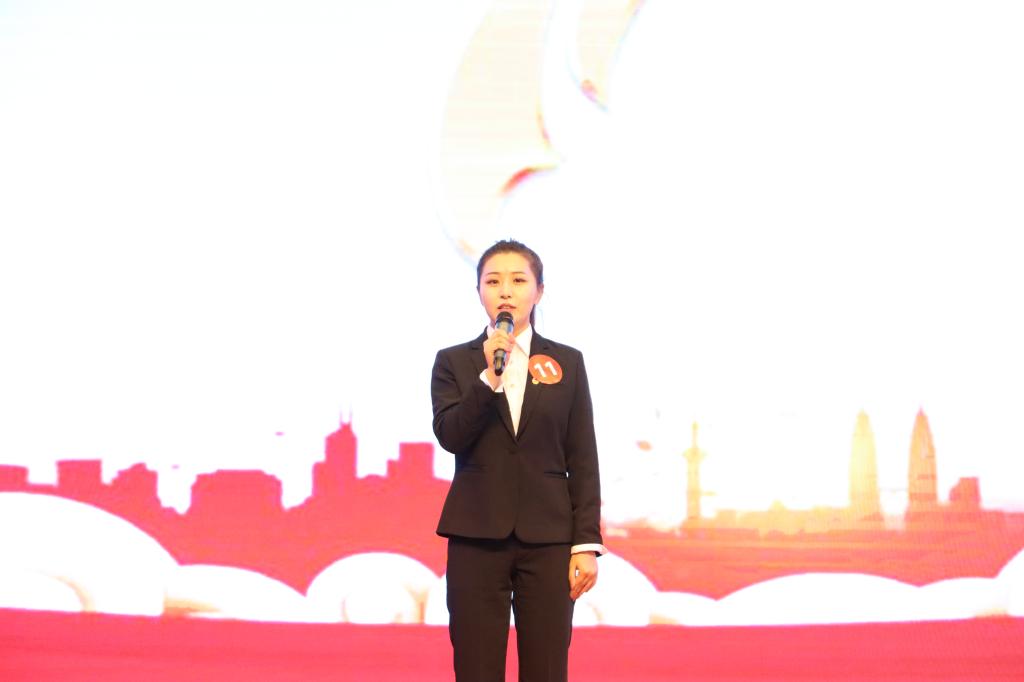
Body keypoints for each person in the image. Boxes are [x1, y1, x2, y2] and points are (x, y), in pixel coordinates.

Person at [431, 239, 605, 682]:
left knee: (546, 668)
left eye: (518, 280)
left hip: (548, 539)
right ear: (479, 293)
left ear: (539, 291)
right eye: (493, 281)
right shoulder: (454, 363)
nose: (505, 291)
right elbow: (451, 435)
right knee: (476, 667)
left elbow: (582, 455)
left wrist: (585, 543)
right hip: (475, 536)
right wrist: (488, 377)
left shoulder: (567, 362)